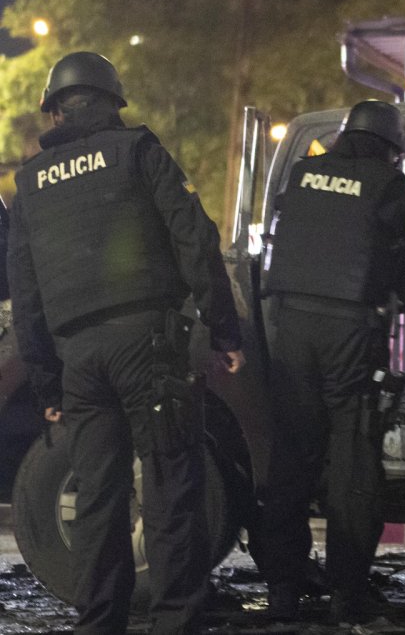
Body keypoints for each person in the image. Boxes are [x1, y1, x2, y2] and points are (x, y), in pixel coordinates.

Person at [7, 51, 245, 635]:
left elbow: (27, 291)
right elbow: (195, 237)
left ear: (56, 112)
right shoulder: (138, 151)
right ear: (112, 102)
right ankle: (174, 622)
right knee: (168, 486)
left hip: (78, 361)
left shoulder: (30, 184)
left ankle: (99, 623)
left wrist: (46, 383)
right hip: (150, 347)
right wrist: (223, 327)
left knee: (98, 497)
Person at [254, 100, 405, 623]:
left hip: (291, 330)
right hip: (352, 337)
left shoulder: (303, 173)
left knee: (292, 463)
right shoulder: (391, 187)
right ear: (391, 148)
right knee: (353, 466)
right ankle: (346, 595)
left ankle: (282, 591)